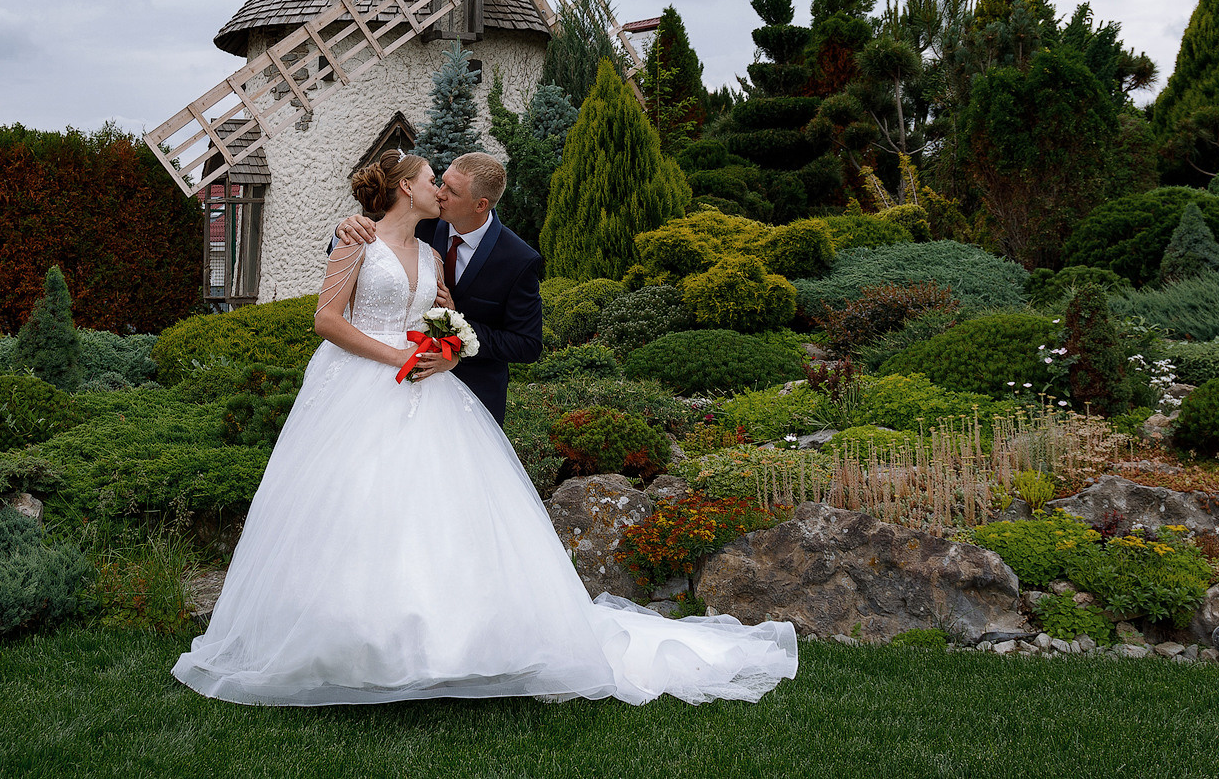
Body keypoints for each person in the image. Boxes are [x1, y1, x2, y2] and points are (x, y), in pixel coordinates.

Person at [172, 150, 796, 707]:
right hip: (361, 385)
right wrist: (397, 348)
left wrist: (448, 349)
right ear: (403, 191)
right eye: (428, 181)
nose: (437, 191)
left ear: (479, 202)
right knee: (354, 507)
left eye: (445, 185)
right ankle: (343, 640)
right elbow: (328, 318)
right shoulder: (360, 239)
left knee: (447, 518)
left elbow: (455, 319)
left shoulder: (444, 248)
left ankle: (459, 641)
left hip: (441, 391)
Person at [328, 151, 538, 426]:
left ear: (480, 205)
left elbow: (528, 345)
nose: (440, 193)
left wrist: (457, 335)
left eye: (452, 190)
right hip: (384, 381)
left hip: (473, 396)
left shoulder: (518, 259)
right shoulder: (422, 218)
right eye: (441, 182)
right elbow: (374, 242)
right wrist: (342, 229)